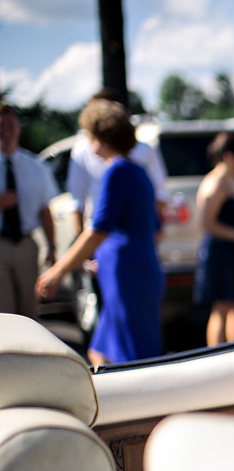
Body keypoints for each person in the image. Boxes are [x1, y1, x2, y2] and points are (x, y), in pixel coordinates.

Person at [36, 100, 164, 365]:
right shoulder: (137, 170)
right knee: (101, 352)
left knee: (132, 359)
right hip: (135, 269)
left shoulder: (115, 171)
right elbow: (152, 228)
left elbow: (97, 231)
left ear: (99, 138)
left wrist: (57, 271)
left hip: (127, 275)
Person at [66, 88, 168, 234]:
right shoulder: (82, 150)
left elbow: (160, 195)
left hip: (121, 236)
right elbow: (77, 200)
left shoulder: (120, 166)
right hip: (105, 237)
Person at [193, 133, 234, 346]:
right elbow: (207, 224)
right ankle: (217, 356)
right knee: (222, 307)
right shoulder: (215, 184)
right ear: (229, 156)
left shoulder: (233, 181)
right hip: (221, 251)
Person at [0, 104, 58, 320]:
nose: (6, 129)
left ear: (18, 127)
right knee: (4, 313)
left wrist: (51, 247)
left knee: (29, 311)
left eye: (10, 124)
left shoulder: (36, 166)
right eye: (0, 125)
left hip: (26, 244)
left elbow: (45, 210)